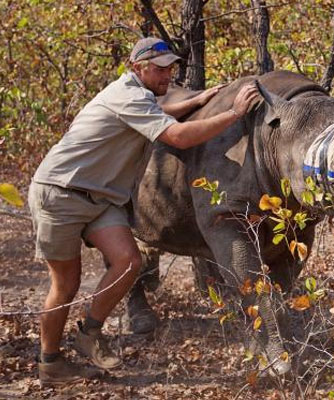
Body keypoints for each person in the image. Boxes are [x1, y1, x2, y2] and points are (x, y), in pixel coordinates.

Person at [28, 37, 258, 385]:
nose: (168, 74)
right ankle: (50, 363)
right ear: (137, 68)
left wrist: (199, 99)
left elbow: (159, 114)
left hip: (100, 198)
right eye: (160, 68)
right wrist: (235, 112)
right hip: (60, 192)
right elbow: (178, 136)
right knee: (66, 284)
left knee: (128, 262)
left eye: (171, 67)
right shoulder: (128, 94)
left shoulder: (137, 96)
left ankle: (89, 334)